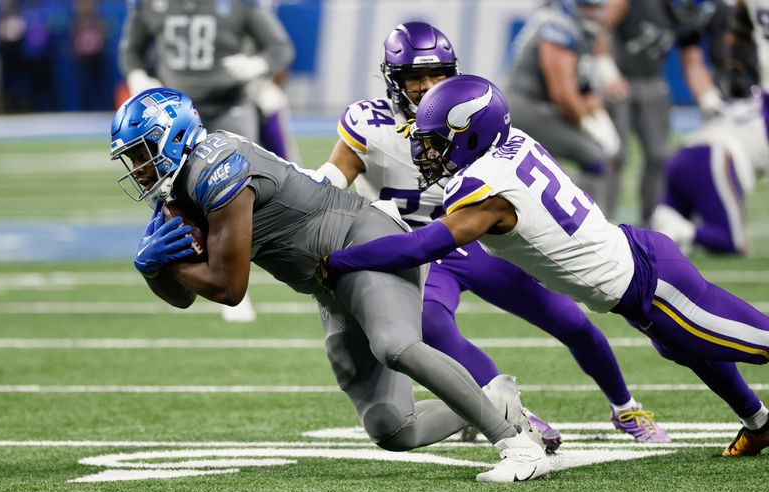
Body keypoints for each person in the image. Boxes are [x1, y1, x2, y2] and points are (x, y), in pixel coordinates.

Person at [109, 87, 552, 483]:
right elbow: (184, 297)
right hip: (328, 281)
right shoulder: (175, 196)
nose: (138, 166)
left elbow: (229, 288)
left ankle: (517, 446)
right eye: (131, 157)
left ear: (175, 137)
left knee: (395, 345)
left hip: (363, 241)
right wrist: (154, 270)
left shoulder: (217, 168)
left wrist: (161, 265)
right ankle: (496, 401)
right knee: (393, 428)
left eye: (143, 151)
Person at [320, 74, 769, 457]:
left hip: (650, 283)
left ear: (470, 135)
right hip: (640, 268)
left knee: (749, 342)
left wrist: (340, 260)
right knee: (689, 348)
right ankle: (758, 421)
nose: (428, 153)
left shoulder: (486, 190)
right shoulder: (508, 146)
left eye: (438, 142)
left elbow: (421, 245)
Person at [319, 21, 668, 446]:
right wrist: (317, 187)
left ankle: (626, 407)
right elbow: (334, 176)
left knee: (569, 319)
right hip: (415, 249)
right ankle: (507, 409)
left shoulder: (466, 115)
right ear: (395, 80)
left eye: (437, 75)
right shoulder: (368, 123)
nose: (428, 86)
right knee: (432, 325)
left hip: (476, 239)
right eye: (415, 77)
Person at [118, 0, 295, 323]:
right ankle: (196, 275)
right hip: (171, 118)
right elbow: (130, 50)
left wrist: (259, 64)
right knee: (174, 202)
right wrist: (137, 75)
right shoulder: (150, 5)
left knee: (239, 196)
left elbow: (280, 47)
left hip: (230, 105)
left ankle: (237, 280)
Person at [596, 0, 724, 223]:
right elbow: (597, 28)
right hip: (619, 76)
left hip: (653, 81)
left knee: (659, 156)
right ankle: (600, 222)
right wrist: (607, 71)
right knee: (615, 153)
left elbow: (691, 59)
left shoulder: (688, 12)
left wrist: (708, 100)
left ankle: (653, 221)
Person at [505, 0, 620, 217]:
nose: (593, 13)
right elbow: (562, 94)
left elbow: (584, 89)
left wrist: (601, 120)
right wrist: (588, 126)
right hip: (526, 109)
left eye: (596, 8)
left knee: (599, 152)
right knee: (593, 156)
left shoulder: (579, 32)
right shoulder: (558, 27)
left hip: (540, 109)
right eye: (587, 7)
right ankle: (588, 227)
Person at [651, 93, 769, 255]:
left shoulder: (754, 101)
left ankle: (669, 224)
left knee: (659, 245)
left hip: (683, 154)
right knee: (733, 242)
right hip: (715, 157)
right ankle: (682, 231)